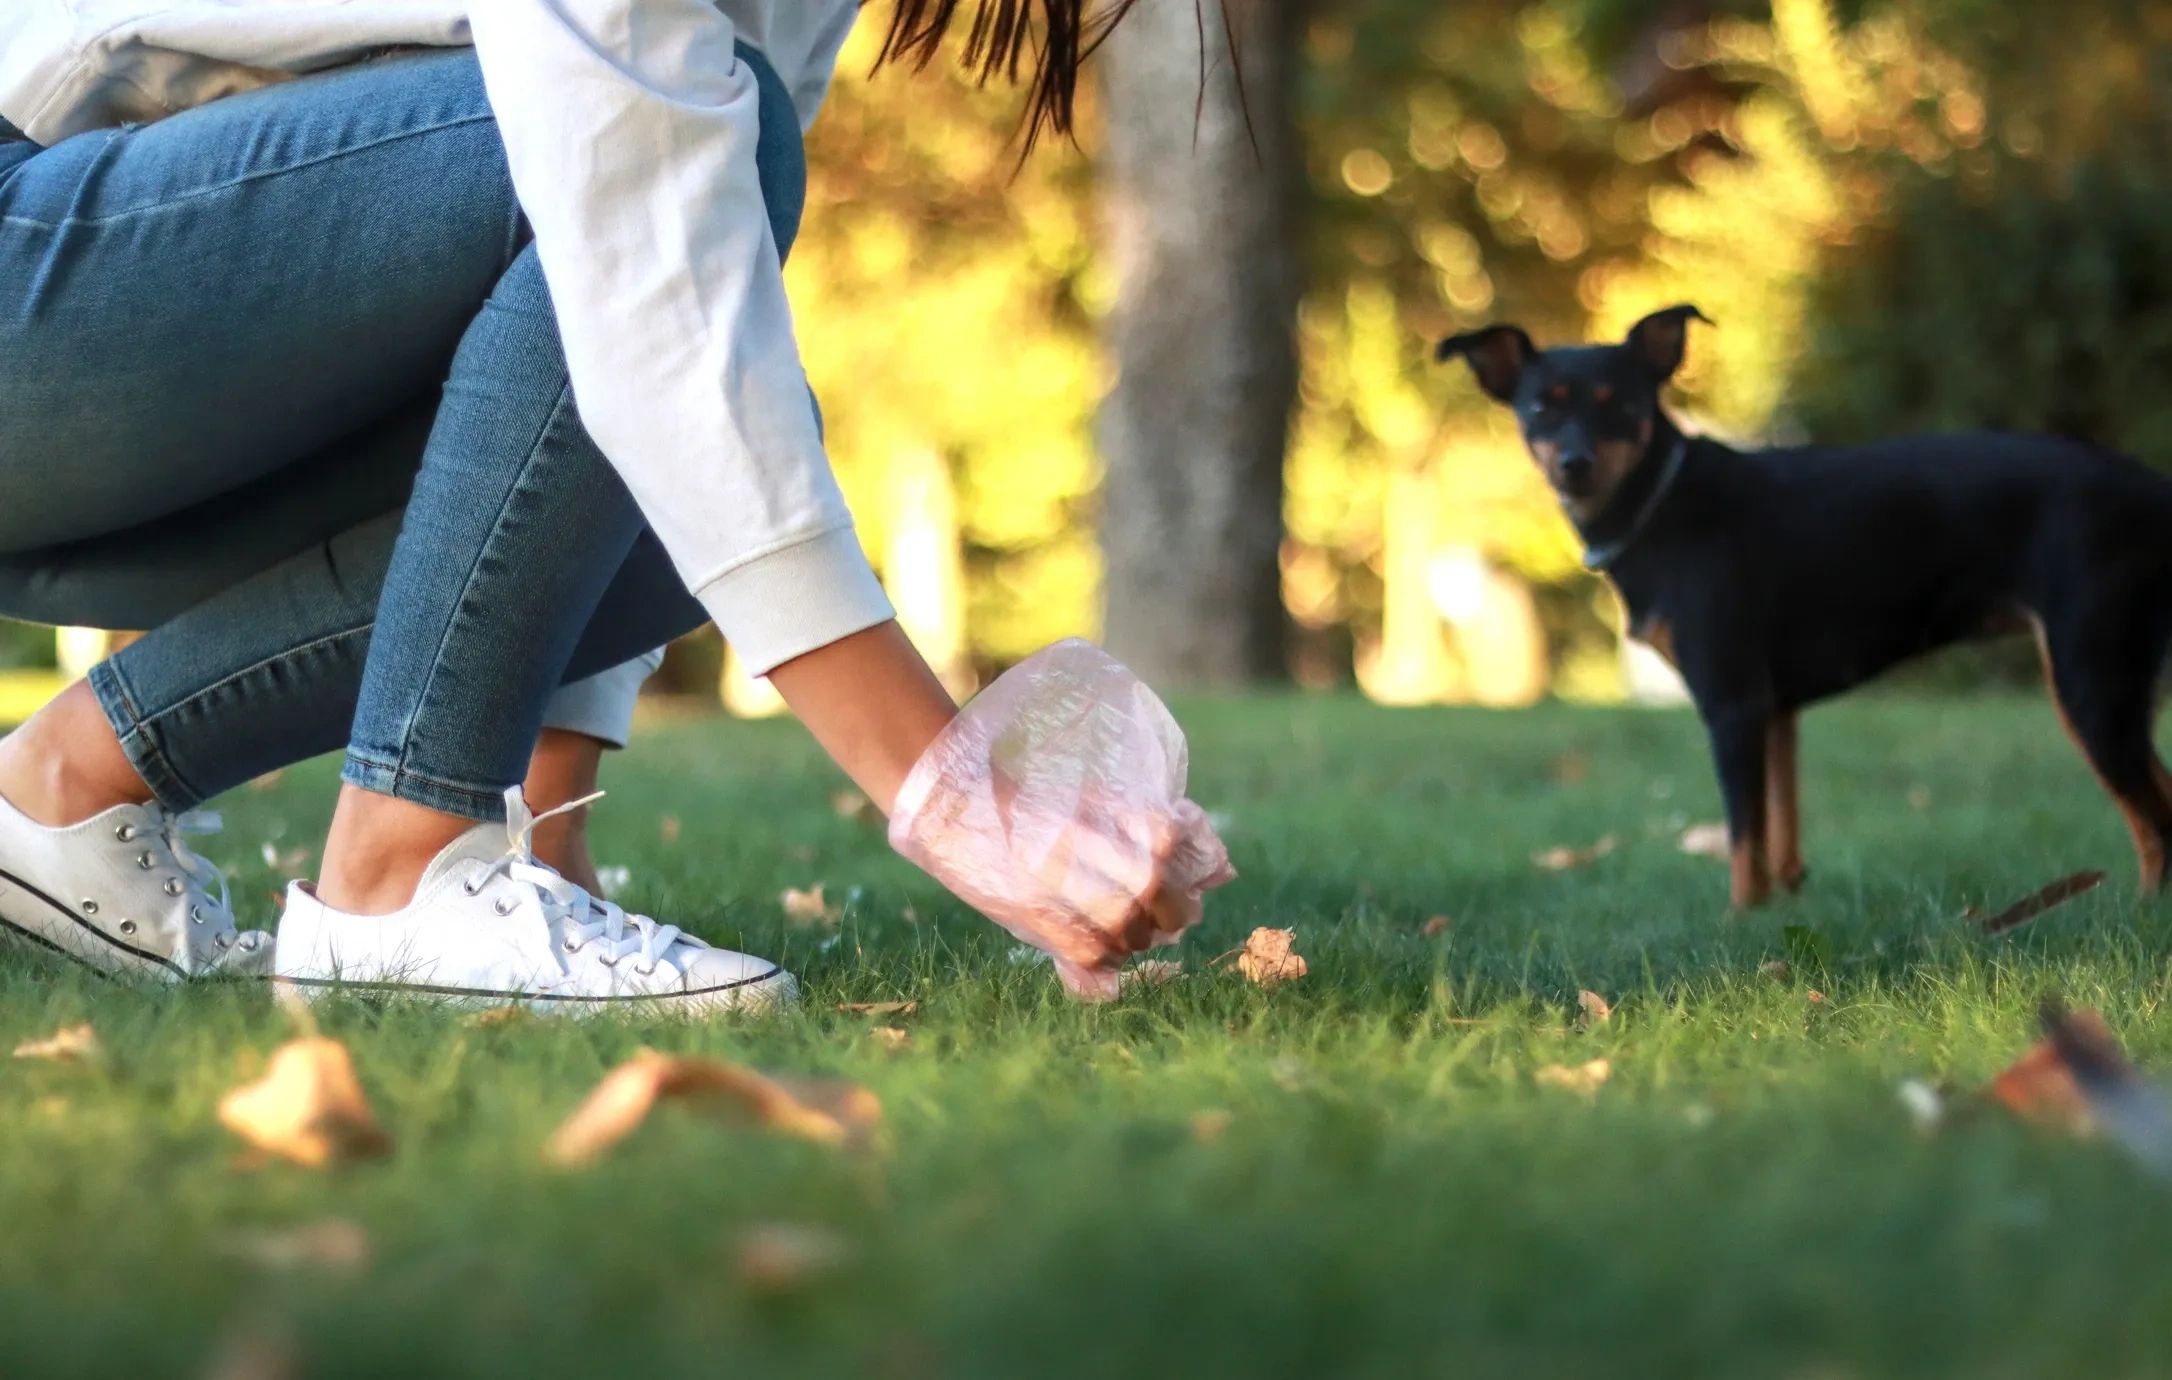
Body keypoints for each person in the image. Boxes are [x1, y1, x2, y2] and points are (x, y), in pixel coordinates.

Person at [0, 0, 1216, 1012]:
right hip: (40, 280)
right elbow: (642, 232)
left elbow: (672, 337)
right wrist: (955, 798)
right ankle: (399, 875)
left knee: (696, 477)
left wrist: (541, 810)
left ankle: (62, 788)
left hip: (124, 381)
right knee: (694, 183)